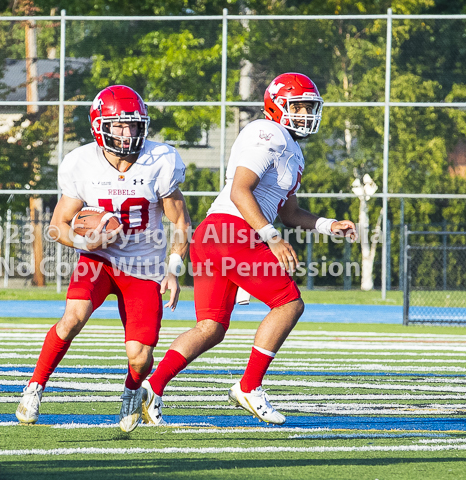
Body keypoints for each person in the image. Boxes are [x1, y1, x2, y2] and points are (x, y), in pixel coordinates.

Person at [141, 73, 356, 426]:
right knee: (289, 304)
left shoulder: (290, 146)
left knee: (211, 327)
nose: (304, 113)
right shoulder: (268, 133)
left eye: (308, 107)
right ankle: (249, 385)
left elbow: (288, 211)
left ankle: (153, 386)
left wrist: (327, 225)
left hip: (216, 234)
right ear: (276, 105)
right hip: (231, 230)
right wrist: (271, 237)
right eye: (297, 106)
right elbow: (242, 190)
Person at [16, 84, 191, 432]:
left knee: (139, 357)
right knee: (71, 320)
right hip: (99, 261)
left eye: (134, 125)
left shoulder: (161, 161)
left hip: (143, 268)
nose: (128, 133)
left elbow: (181, 221)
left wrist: (173, 269)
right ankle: (35, 386)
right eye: (120, 126)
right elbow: (57, 226)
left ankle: (131, 390)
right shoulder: (82, 162)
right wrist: (87, 242)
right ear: (100, 126)